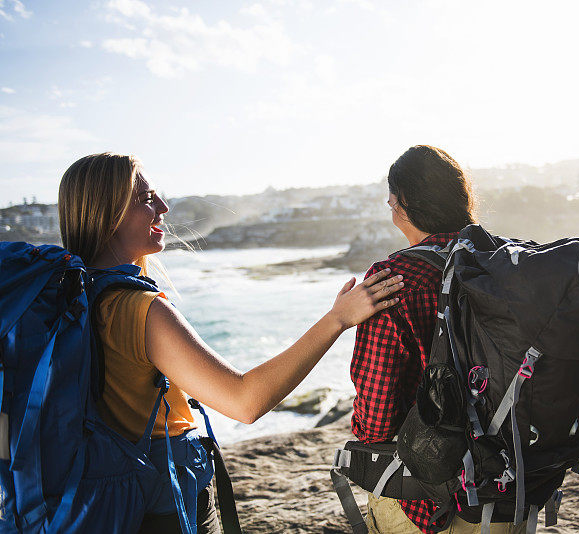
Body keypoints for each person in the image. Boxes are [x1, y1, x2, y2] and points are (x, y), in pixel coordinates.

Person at [58, 152, 403, 533]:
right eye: (145, 198)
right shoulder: (138, 310)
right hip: (159, 505)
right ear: (106, 214)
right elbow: (244, 401)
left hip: (99, 496)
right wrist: (337, 319)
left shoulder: (70, 297)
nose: (163, 207)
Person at [350, 145, 524, 534]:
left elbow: (375, 424)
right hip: (513, 488)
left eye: (391, 198)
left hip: (431, 503)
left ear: (405, 203)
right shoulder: (504, 261)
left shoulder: (392, 279)